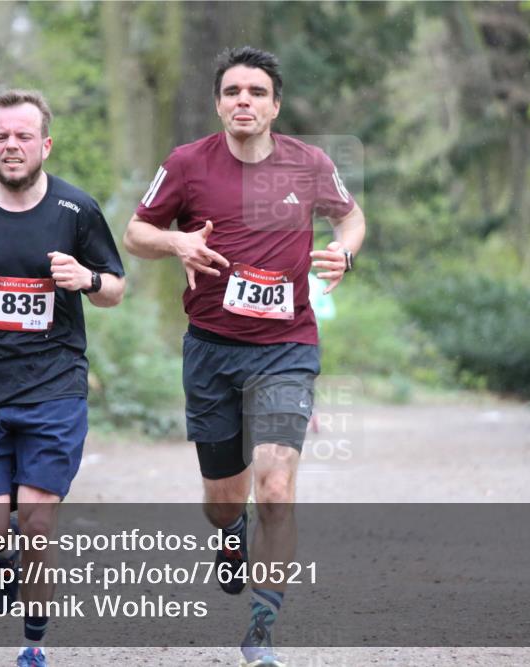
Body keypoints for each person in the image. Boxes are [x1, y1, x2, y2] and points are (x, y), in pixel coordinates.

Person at [123, 46, 365, 667]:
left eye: (256, 92)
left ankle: (262, 625)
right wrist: (175, 239)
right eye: (233, 91)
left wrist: (344, 251)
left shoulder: (309, 163)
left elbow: (352, 217)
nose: (244, 102)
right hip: (210, 348)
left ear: (274, 105)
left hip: (287, 347)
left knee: (277, 485)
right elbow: (135, 233)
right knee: (221, 500)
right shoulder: (186, 164)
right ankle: (230, 536)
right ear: (218, 103)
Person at [0, 89, 125, 667]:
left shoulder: (77, 211)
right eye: (2, 136)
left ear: (45, 144)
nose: (12, 146)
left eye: (24, 136)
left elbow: (116, 288)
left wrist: (85, 278)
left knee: (37, 513)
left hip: (53, 386)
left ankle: (33, 642)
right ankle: (1, 557)